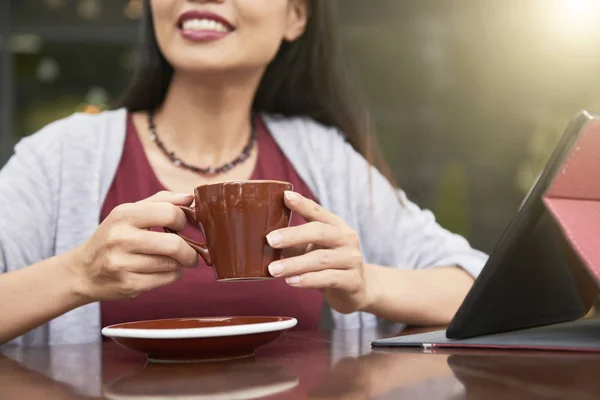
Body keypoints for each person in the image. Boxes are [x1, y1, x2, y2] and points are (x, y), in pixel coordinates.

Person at [0, 0, 487, 347]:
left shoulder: (324, 158)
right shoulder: (62, 157)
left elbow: (478, 290)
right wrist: (77, 274)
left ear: (296, 16)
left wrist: (365, 287)